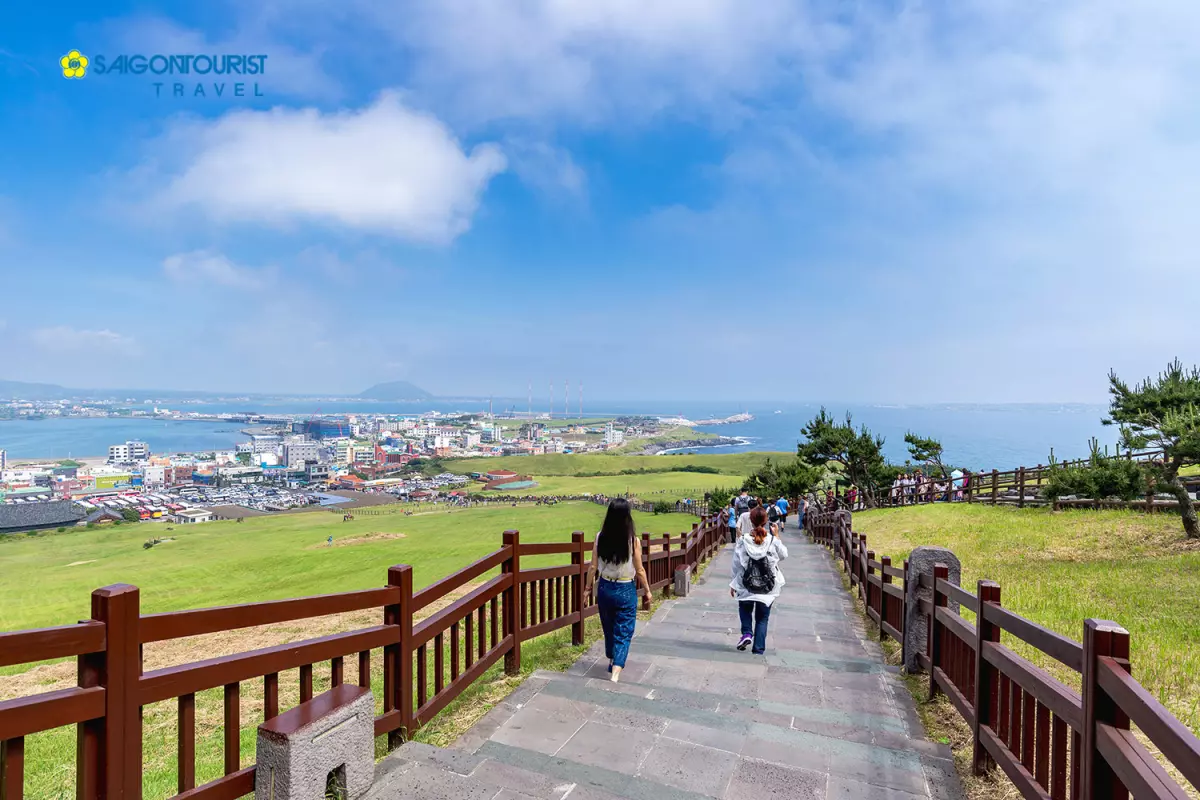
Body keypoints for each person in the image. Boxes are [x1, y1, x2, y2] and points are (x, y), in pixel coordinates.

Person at [585, 499, 651, 682]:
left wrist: (587, 588)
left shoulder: (600, 537)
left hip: (605, 587)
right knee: (623, 630)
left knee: (609, 627)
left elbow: (592, 566)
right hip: (625, 588)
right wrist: (647, 590)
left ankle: (612, 658)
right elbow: (639, 570)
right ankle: (616, 670)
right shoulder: (633, 540)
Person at [730, 506, 788, 654]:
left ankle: (747, 633)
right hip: (768, 585)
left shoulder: (743, 540)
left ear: (751, 520)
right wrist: (777, 536)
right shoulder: (772, 540)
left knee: (744, 608)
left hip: (746, 583)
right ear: (766, 520)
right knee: (762, 618)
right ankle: (758, 649)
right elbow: (784, 555)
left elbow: (736, 564)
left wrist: (733, 583)